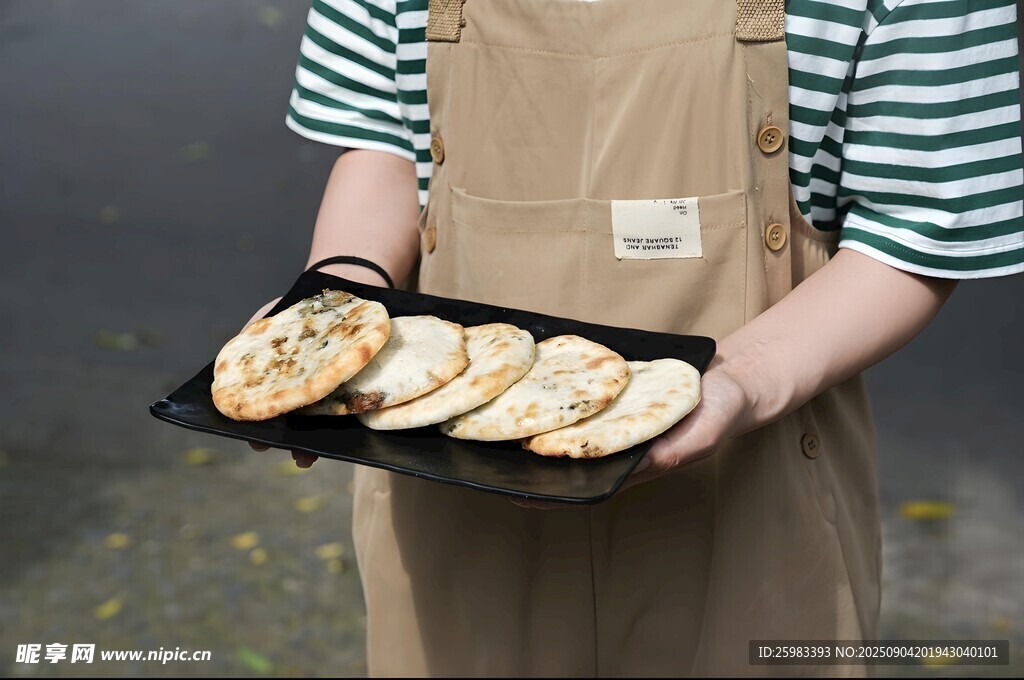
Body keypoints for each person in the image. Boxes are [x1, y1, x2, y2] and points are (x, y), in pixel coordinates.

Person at [253, 0, 1023, 675]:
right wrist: (334, 310)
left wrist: (736, 382)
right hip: (446, 503)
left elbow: (920, 220)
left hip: (752, 496)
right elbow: (385, 138)